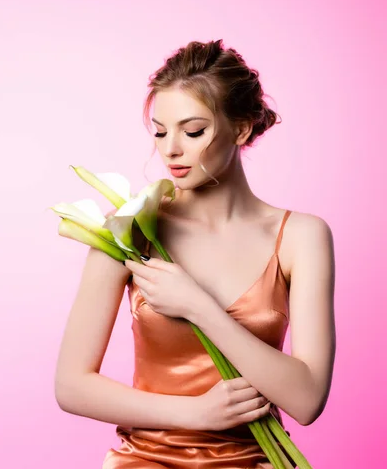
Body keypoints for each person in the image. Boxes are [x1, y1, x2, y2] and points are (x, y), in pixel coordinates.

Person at [54, 39, 336, 468]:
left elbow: (307, 398)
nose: (170, 150)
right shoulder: (129, 229)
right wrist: (194, 413)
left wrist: (200, 307)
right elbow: (71, 386)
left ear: (241, 129)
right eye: (161, 132)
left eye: (193, 131)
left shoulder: (301, 236)